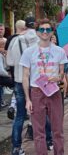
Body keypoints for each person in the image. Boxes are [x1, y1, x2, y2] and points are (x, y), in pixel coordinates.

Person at [20, 19, 68, 155]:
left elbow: (62, 73)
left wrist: (58, 77)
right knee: (38, 131)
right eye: (42, 29)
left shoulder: (60, 51)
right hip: (37, 91)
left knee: (58, 130)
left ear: (52, 31)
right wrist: (28, 99)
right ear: (37, 32)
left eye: (48, 29)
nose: (45, 32)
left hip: (54, 91)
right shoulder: (29, 52)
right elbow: (25, 76)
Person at [6, 17, 39, 155]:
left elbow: (10, 62)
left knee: (19, 116)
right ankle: (45, 143)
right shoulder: (40, 40)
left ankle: (16, 148)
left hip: (20, 80)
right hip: (36, 81)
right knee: (40, 114)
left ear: (25, 25)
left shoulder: (16, 40)